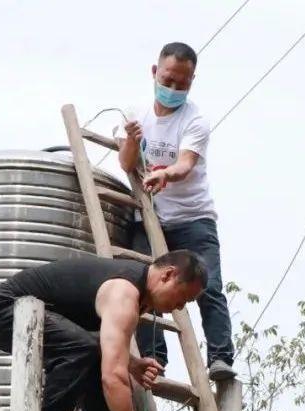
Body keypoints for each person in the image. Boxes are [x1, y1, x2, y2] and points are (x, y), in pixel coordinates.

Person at [0, 250, 207, 411]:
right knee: (82, 348)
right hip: (4, 309)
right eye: (183, 298)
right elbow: (113, 378)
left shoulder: (139, 295)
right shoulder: (124, 294)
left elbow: (109, 348)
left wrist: (133, 363)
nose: (179, 308)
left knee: (93, 351)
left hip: (40, 315)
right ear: (168, 275)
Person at [118, 41, 237, 380]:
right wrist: (130, 141)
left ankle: (220, 358)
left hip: (192, 218)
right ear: (155, 73)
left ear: (191, 82)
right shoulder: (134, 114)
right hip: (149, 217)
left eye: (181, 84)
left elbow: (185, 164)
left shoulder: (195, 120)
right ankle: (154, 357)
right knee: (145, 284)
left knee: (208, 285)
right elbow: (127, 163)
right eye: (167, 80)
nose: (172, 89)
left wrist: (165, 174)